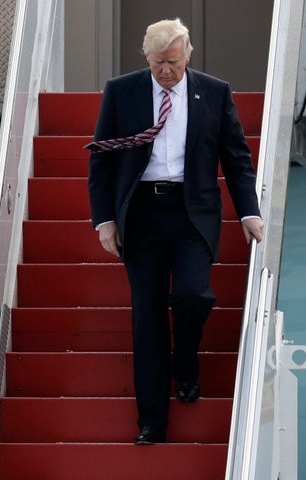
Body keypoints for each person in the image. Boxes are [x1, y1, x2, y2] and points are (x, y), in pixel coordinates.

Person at [87, 18, 263, 445]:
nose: (167, 71)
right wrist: (105, 219)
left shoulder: (214, 92)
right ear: (146, 57)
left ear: (189, 53)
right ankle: (152, 422)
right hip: (141, 213)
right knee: (146, 317)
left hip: (192, 211)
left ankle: (185, 363)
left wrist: (249, 213)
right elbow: (101, 161)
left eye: (174, 61)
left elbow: (236, 159)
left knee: (192, 294)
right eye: (159, 62)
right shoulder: (122, 91)